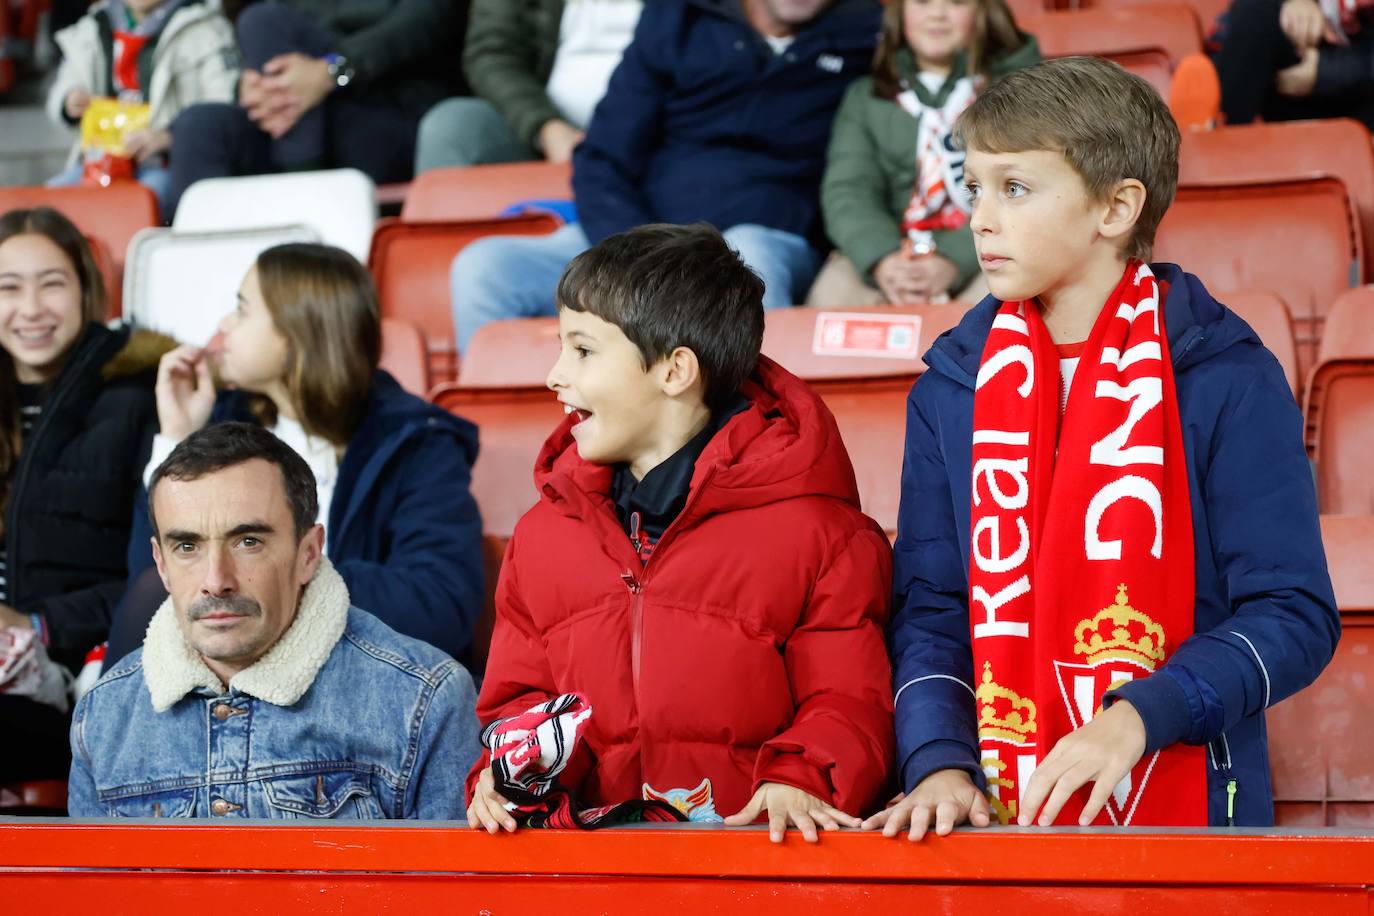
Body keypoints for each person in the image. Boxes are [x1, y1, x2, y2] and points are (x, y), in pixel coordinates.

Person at [872, 57, 1340, 840]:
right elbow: (932, 609)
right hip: (995, 822)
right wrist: (939, 759)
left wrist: (1138, 719)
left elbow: (1292, 614)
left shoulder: (1225, 374)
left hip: (1190, 811)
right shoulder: (950, 387)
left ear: (1118, 207)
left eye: (1014, 189)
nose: (979, 218)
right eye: (976, 186)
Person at [465, 223, 895, 842]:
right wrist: (510, 772)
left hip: (762, 872)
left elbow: (850, 700)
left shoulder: (823, 535)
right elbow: (522, 699)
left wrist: (803, 776)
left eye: (582, 350)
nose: (555, 375)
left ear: (674, 372)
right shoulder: (542, 538)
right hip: (598, 883)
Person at [68, 422, 480, 818]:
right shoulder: (101, 717)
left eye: (248, 542)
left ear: (308, 553)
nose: (216, 582)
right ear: (160, 564)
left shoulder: (425, 702)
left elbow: (458, 891)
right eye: (188, 546)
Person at [107, 243, 483, 667]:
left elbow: (440, 604)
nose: (224, 325)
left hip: (363, 671)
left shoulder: (415, 443)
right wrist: (178, 437)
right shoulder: (221, 423)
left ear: (298, 333)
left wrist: (283, 574)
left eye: (243, 310)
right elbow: (156, 578)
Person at [449, 0, 883, 355]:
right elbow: (602, 156)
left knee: (749, 260)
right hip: (647, 235)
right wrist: (635, 251)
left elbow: (870, 169)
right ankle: (533, 455)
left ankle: (756, 450)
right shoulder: (679, 17)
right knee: (484, 270)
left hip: (766, 239)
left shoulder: (868, 37)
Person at [0, 207, 169, 784]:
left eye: (51, 285)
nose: (30, 309)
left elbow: (158, 577)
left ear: (86, 290)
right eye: (8, 288)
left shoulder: (138, 395)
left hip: (77, 681)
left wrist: (35, 623)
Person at [812, 0, 1038, 307]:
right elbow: (849, 190)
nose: (937, 13)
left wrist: (954, 259)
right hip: (890, 253)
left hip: (990, 246)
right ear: (900, 12)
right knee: (831, 301)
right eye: (922, 1)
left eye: (956, 2)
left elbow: (1025, 188)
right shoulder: (865, 97)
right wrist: (884, 260)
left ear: (983, 11)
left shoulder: (1022, 91)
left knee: (1001, 307)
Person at [163, 0, 469, 217]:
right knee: (199, 126)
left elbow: (425, 22)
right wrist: (248, 87)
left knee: (263, 20)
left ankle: (302, 220)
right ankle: (201, 276)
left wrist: (333, 71)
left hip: (388, 115)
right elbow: (272, 56)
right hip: (302, 131)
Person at [45, 0, 239, 212]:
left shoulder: (204, 26)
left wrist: (170, 136)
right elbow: (67, 81)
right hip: (98, 162)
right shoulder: (95, 25)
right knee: (48, 203)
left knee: (142, 204)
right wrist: (69, 100)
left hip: (165, 164)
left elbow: (223, 103)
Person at [414, 0, 644, 174]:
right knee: (452, 125)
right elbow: (492, 54)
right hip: (543, 134)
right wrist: (546, 127)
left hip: (658, 131)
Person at [1211, 0, 1374, 129]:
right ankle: (1212, 130)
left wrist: (1324, 71)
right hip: (1297, 60)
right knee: (1257, 12)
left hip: (1355, 88)